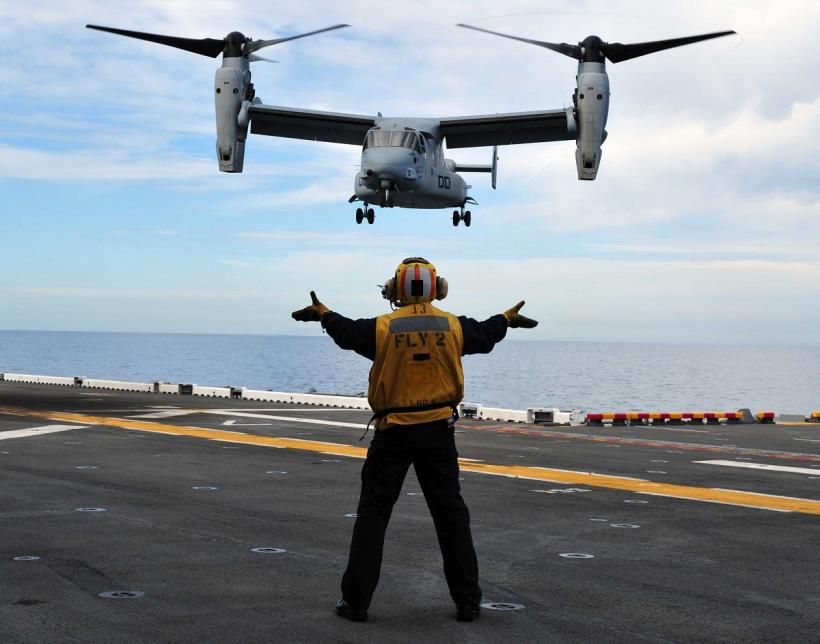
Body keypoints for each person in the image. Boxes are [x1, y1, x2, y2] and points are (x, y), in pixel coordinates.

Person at [291, 257, 537, 623]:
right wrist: (505, 319)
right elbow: (485, 333)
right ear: (438, 288)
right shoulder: (452, 326)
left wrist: (322, 312)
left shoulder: (382, 328)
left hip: (394, 433)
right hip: (438, 431)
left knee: (373, 516)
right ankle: (468, 602)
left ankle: (356, 602)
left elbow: (345, 331)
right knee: (451, 517)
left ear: (395, 289)